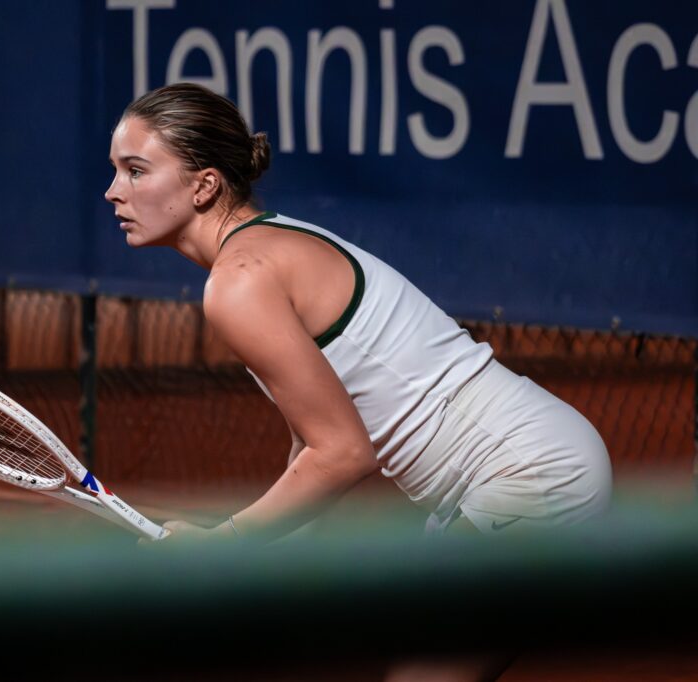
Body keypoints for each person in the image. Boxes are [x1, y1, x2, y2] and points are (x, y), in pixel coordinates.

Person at [104, 83, 613, 679]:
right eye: (116, 170)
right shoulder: (265, 247)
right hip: (514, 472)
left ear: (204, 185)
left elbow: (344, 453)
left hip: (526, 475)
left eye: (136, 170)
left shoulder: (239, 281)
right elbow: (312, 441)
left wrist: (225, 543)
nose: (115, 191)